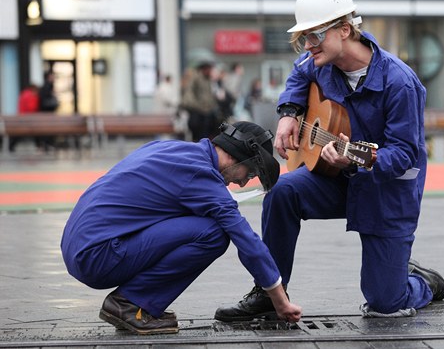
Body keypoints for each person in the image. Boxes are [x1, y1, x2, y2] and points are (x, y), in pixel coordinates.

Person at [214, 0, 444, 322]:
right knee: (280, 192)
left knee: (386, 304)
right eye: (303, 38)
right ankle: (268, 293)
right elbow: (298, 74)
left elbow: (405, 154)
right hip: (336, 179)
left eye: (314, 36)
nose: (307, 46)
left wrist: (359, 157)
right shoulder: (318, 61)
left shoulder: (400, 83)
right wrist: (290, 113)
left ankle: (421, 281)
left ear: (345, 29)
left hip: (386, 191)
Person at [60, 121, 302, 335]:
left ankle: (133, 301)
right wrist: (278, 298)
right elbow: (245, 238)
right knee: (214, 234)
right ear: (236, 155)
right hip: (96, 255)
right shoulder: (201, 174)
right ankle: (130, 303)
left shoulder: (175, 150)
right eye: (248, 173)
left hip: (80, 246)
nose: (242, 181)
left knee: (200, 222)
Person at [180, 61, 220, 141]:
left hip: (206, 112)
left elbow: (209, 96)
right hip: (199, 113)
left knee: (206, 135)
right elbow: (189, 94)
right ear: (204, 69)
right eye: (209, 69)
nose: (210, 71)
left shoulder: (208, 79)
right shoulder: (196, 78)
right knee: (199, 136)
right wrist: (198, 106)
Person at [9, 84, 40, 152]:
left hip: (22, 117)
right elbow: (31, 108)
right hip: (26, 118)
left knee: (19, 132)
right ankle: (38, 146)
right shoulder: (30, 96)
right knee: (35, 131)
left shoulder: (24, 94)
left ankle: (11, 145)